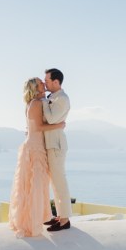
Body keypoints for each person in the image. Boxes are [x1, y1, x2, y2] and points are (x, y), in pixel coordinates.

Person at [8, 78, 65, 238]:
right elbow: (39, 127)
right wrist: (58, 125)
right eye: (41, 83)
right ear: (35, 87)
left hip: (33, 145)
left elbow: (31, 127)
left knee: (31, 186)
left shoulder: (35, 102)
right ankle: (32, 223)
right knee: (35, 186)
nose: (44, 85)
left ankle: (31, 220)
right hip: (35, 148)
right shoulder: (36, 103)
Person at [41, 68, 73, 231]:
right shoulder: (53, 98)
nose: (44, 83)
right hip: (51, 144)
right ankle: (60, 215)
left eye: (47, 80)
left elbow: (52, 119)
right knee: (55, 182)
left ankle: (65, 220)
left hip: (56, 145)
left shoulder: (62, 98)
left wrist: (43, 101)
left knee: (60, 181)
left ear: (56, 82)